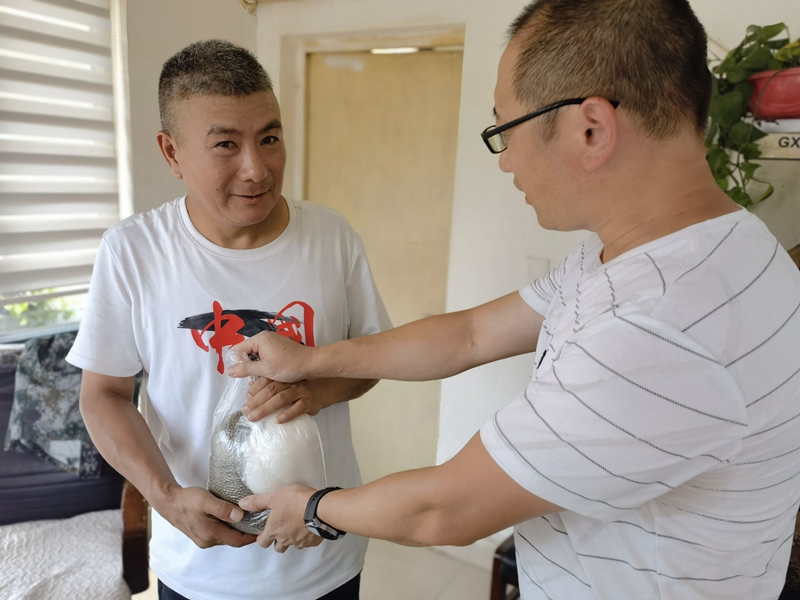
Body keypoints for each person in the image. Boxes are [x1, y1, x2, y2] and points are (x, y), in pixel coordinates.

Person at [227, 1, 800, 598]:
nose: (505, 161)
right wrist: (310, 360)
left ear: (591, 129)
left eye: (505, 130)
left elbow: (444, 510)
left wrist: (313, 507)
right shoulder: (693, 248)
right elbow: (472, 334)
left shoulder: (658, 323)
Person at [67, 40, 391, 600]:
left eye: (270, 138)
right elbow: (102, 396)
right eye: (225, 144)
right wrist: (166, 498)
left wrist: (312, 391)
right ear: (171, 152)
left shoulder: (331, 237)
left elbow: (371, 358)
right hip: (201, 571)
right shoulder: (133, 252)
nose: (256, 169)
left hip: (324, 557)